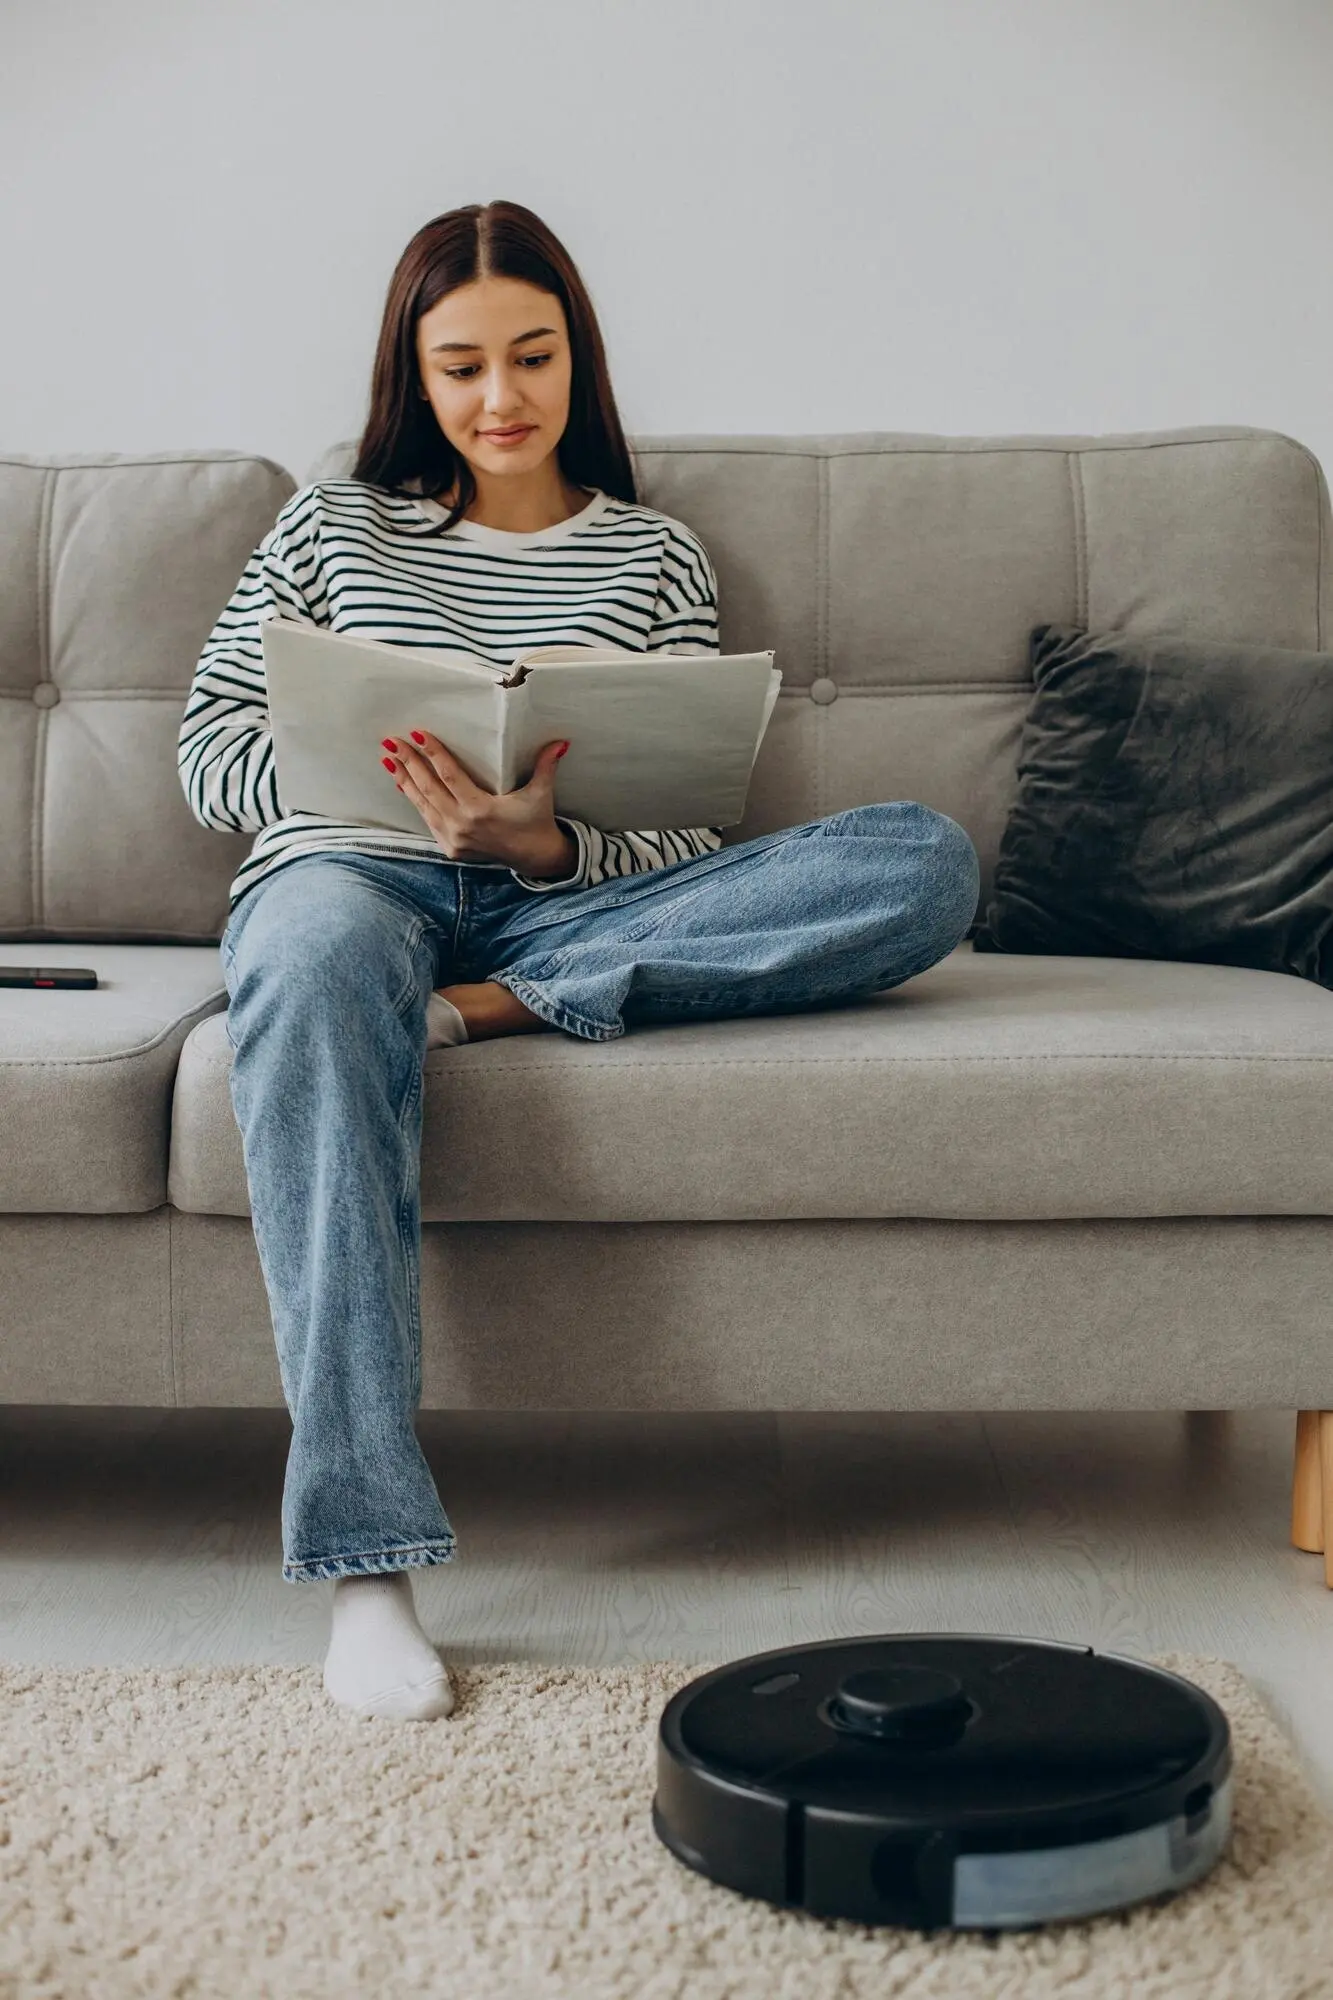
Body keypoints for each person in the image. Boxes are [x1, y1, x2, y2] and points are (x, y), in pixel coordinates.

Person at [178, 198, 981, 1722]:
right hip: (356, 879)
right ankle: (367, 1568)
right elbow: (209, 750)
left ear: (578, 357)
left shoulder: (657, 557)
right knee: (319, 953)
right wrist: (364, 790)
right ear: (412, 374)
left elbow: (688, 827)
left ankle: (484, 1013)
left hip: (557, 909)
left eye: (532, 356)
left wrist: (546, 849)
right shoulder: (328, 524)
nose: (499, 399)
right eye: (462, 365)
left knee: (923, 861)